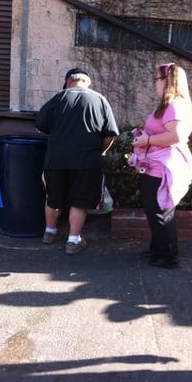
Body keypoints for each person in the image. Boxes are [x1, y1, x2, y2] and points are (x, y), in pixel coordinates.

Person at [35, 68, 119, 254]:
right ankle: (73, 242)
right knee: (79, 201)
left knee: (53, 197)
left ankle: (49, 233)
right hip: (87, 162)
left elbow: (40, 126)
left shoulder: (57, 99)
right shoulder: (100, 100)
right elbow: (109, 135)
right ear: (87, 83)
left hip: (56, 161)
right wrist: (101, 152)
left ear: (68, 82)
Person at [130, 63, 192, 268]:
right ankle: (158, 250)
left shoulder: (175, 105)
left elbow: (175, 136)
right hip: (156, 165)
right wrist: (145, 136)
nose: (155, 84)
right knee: (156, 211)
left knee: (160, 212)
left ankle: (168, 257)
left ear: (167, 80)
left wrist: (147, 141)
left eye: (156, 79)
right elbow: (164, 133)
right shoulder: (170, 105)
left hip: (161, 168)